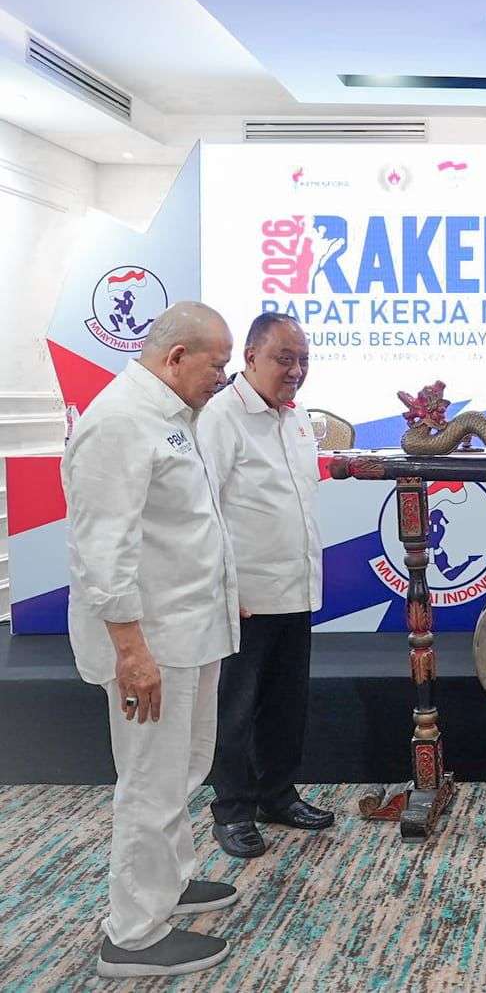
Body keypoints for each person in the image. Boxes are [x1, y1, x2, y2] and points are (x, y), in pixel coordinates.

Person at [64, 302, 241, 978]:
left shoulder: (173, 416)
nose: (223, 378)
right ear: (176, 357)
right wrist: (131, 652)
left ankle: (168, 883)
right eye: (217, 365)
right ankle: (133, 936)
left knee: (182, 770)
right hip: (152, 643)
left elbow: (182, 527)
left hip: (189, 631)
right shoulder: (118, 421)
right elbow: (101, 551)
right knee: (149, 782)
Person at [199, 313, 332, 859]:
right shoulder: (219, 418)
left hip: (295, 589)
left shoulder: (296, 419)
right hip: (245, 598)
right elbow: (202, 509)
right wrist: (221, 586)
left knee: (285, 704)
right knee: (234, 709)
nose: (296, 370)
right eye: (284, 358)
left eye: (303, 360)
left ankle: (278, 795)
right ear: (250, 357)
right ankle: (233, 810)